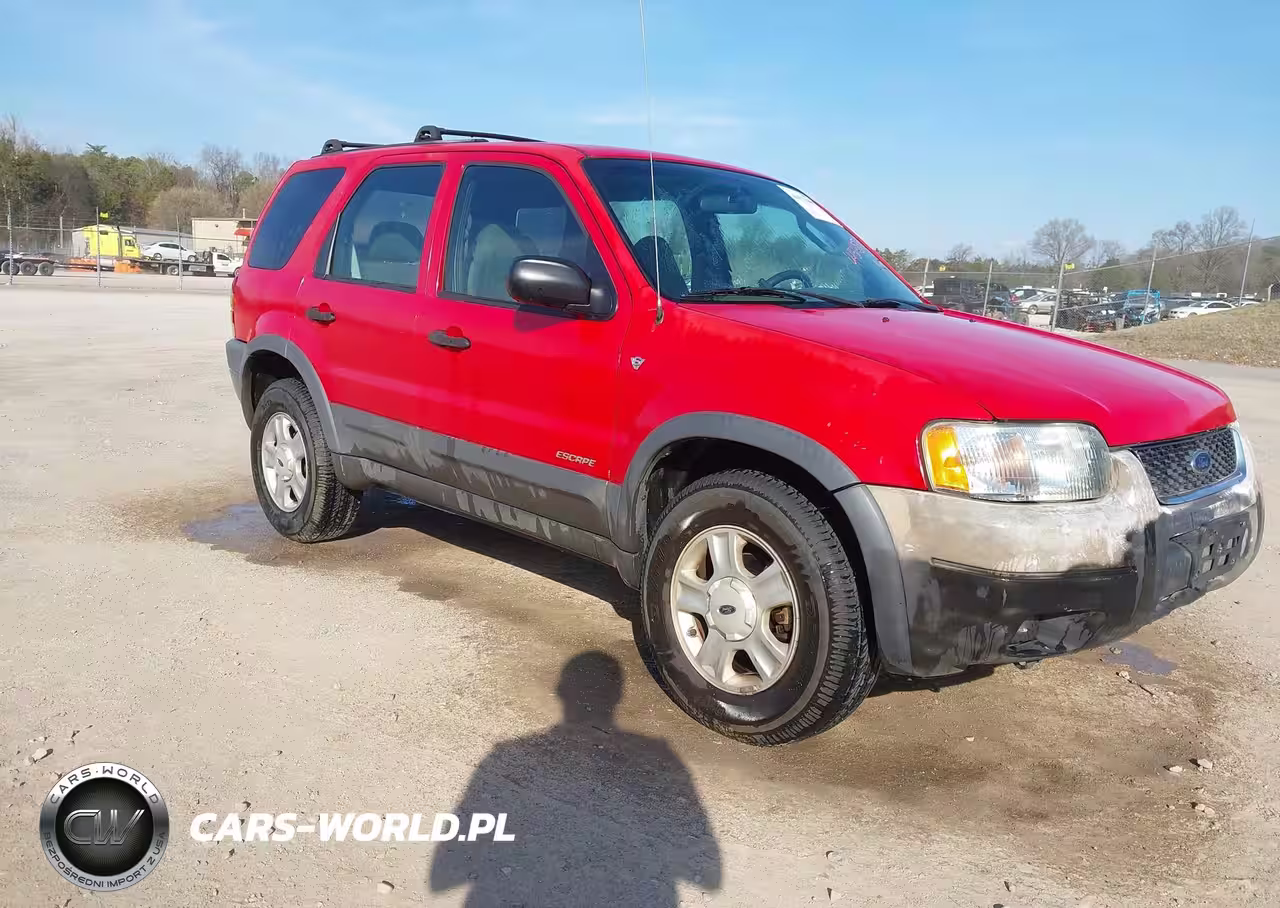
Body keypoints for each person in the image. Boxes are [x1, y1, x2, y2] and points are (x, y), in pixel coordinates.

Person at [429, 650, 722, 907]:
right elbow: (709, 874)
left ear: (559, 692)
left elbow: (442, 874)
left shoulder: (506, 753)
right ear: (618, 696)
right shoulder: (661, 757)